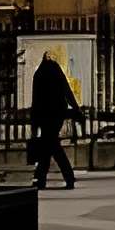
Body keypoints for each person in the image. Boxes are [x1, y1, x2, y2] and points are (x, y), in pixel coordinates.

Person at [29, 51, 79, 190]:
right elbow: (67, 92)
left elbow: (36, 99)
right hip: (57, 115)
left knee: (51, 146)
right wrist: (76, 109)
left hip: (44, 116)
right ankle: (48, 178)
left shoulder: (39, 74)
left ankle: (45, 178)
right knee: (50, 146)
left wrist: (34, 121)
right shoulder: (57, 72)